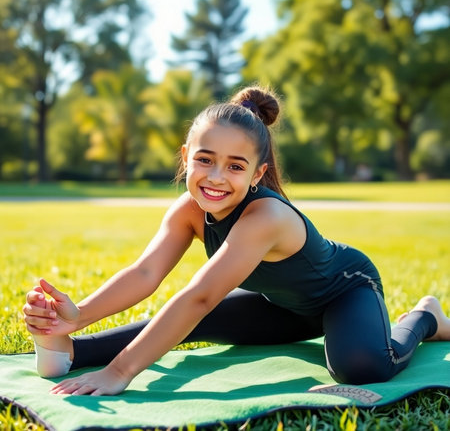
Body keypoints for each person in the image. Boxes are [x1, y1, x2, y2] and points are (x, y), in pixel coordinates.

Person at [23, 86, 450, 396]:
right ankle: (72, 351)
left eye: (234, 166)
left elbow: (200, 296)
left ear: (257, 174)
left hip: (345, 292)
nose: (215, 177)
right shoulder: (190, 210)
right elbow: (145, 272)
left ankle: (426, 315)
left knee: (360, 367)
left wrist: (120, 373)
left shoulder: (266, 216)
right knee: (194, 322)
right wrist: (77, 316)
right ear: (186, 155)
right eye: (205, 160)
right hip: (281, 306)